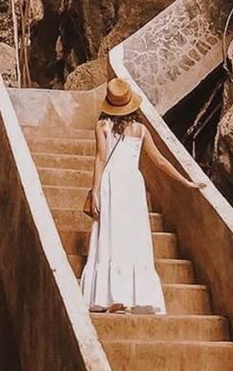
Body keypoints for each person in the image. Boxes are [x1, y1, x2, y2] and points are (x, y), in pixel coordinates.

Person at [80, 77, 206, 314]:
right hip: (131, 185)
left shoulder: (102, 127)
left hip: (111, 182)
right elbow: (159, 161)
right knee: (132, 236)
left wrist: (95, 191)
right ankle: (130, 296)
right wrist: (185, 181)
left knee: (111, 234)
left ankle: (112, 296)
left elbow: (99, 159)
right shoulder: (141, 130)